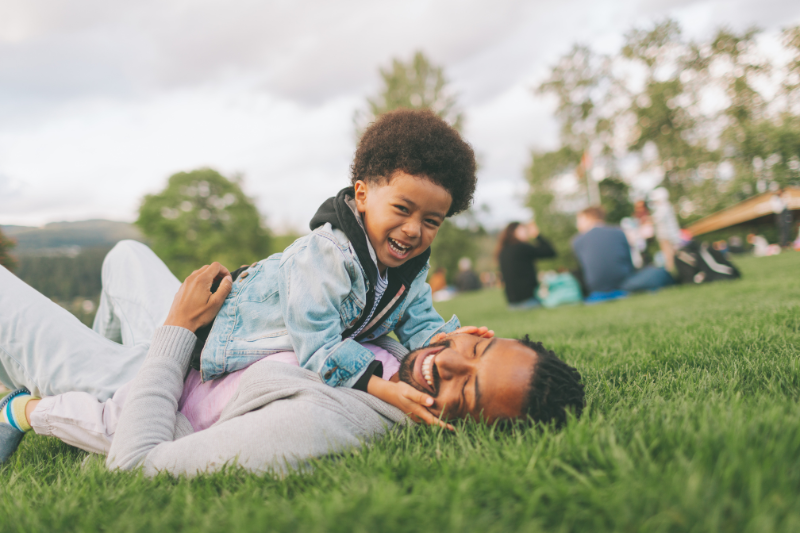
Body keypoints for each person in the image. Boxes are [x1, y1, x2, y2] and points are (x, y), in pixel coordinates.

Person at [0, 242, 586, 473]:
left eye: (470, 391)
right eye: (476, 348)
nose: (450, 364)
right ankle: (89, 354)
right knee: (125, 254)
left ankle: (65, 386)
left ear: (466, 428)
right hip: (200, 350)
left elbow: (137, 465)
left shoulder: (328, 422)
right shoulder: (410, 347)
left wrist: (176, 331)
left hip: (152, 384)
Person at [193, 109, 487, 423]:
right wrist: (383, 389)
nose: (414, 230)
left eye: (431, 221)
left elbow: (417, 322)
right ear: (362, 195)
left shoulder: (409, 269)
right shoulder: (326, 253)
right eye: (402, 208)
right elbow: (317, 343)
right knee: (324, 387)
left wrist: (448, 343)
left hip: (297, 347)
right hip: (226, 338)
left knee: (378, 355)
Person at [572, 206, 673, 299]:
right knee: (658, 272)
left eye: (579, 220)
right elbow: (628, 264)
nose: (577, 225)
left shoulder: (576, 241)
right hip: (625, 284)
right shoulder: (618, 232)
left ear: (588, 217)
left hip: (597, 289)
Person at [497, 221, 556, 309]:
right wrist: (537, 235)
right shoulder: (522, 247)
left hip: (512, 305)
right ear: (514, 232)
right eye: (523, 229)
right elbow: (550, 252)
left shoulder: (502, 252)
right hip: (529, 302)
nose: (526, 232)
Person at [648, 187, 682, 272]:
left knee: (668, 254)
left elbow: (657, 218)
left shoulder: (664, 206)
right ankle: (674, 269)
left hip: (666, 235)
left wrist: (647, 219)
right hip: (667, 235)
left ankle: (671, 270)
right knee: (669, 254)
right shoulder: (666, 206)